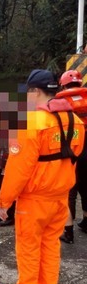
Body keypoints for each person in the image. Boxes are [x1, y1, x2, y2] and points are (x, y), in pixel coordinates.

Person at [0, 69, 84, 284]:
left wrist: (4, 201)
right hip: (60, 196)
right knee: (51, 245)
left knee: (28, 247)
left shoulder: (30, 123)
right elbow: (74, 156)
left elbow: (18, 169)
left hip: (35, 197)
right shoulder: (75, 121)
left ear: (35, 91)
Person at [56, 70, 87, 243]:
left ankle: (68, 231)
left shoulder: (61, 103)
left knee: (69, 192)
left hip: (71, 150)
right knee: (86, 187)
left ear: (63, 84)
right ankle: (86, 222)